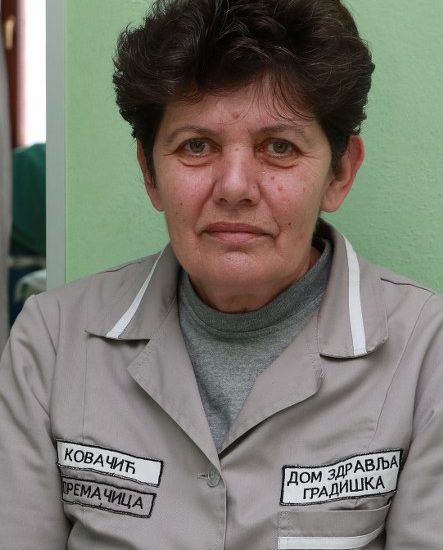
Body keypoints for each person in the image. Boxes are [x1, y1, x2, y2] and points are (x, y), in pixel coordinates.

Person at [1, 0, 442, 548]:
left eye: (278, 147)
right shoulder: (50, 343)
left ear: (339, 172)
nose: (234, 187)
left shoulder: (427, 353)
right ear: (150, 173)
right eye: (197, 146)